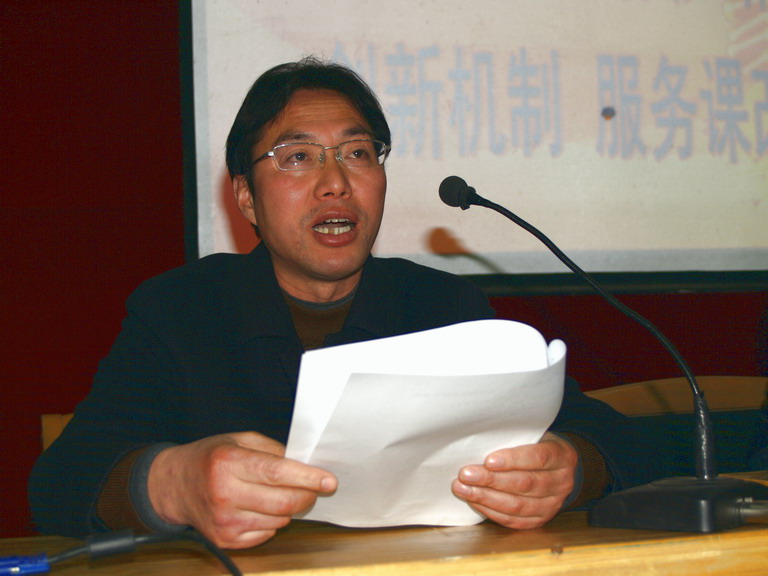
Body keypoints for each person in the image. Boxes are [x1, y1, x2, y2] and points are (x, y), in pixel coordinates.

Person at [29, 57, 661, 549]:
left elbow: (619, 441)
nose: (335, 183)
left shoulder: (444, 304)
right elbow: (60, 481)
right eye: (298, 157)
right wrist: (173, 483)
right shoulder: (180, 311)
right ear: (246, 198)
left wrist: (571, 468)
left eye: (357, 154)